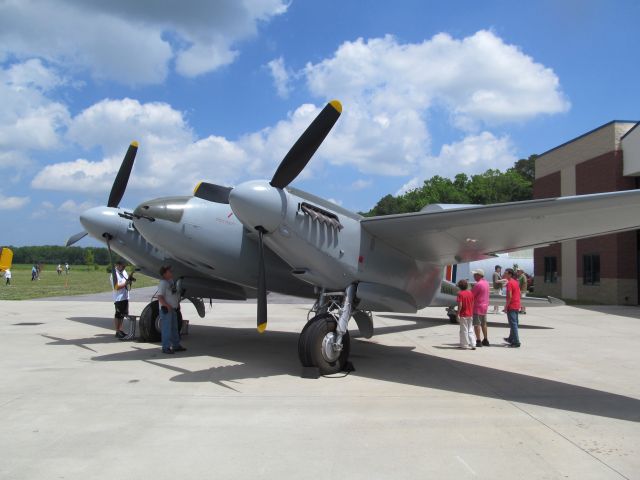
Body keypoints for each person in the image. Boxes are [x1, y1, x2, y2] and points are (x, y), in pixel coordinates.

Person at [158, 265, 186, 354]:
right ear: (165, 273)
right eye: (169, 271)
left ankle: (176, 345)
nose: (171, 272)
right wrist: (166, 305)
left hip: (174, 308)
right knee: (167, 329)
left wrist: (177, 304)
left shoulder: (170, 281)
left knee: (174, 328)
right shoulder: (163, 283)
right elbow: (160, 297)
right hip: (167, 309)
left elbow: (174, 294)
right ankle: (165, 347)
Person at [111, 260, 130, 339]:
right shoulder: (114, 275)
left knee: (123, 315)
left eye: (124, 266)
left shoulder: (124, 272)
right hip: (118, 298)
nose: (124, 267)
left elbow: (126, 280)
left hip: (125, 297)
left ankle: (120, 330)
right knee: (118, 315)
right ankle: (117, 330)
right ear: (118, 265)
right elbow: (116, 287)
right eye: (122, 266)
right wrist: (125, 284)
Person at [503, 268, 522, 348]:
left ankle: (516, 342)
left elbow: (509, 296)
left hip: (512, 305)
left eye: (506, 273)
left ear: (510, 274)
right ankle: (511, 339)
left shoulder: (509, 283)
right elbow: (519, 293)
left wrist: (506, 306)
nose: (504, 274)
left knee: (513, 324)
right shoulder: (515, 282)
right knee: (514, 323)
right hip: (517, 305)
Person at [471, 269, 490, 347]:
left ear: (479, 275)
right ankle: (485, 339)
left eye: (475, 274)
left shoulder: (478, 284)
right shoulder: (486, 283)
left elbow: (472, 295)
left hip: (477, 307)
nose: (474, 276)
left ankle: (478, 340)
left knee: (476, 324)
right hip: (485, 306)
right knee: (484, 324)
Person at [456, 279, 476, 350]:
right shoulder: (471, 293)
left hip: (463, 314)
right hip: (470, 314)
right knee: (470, 329)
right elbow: (473, 303)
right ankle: (473, 344)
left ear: (460, 286)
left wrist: (457, 313)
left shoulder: (460, 294)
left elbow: (460, 305)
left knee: (464, 330)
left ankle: (464, 345)